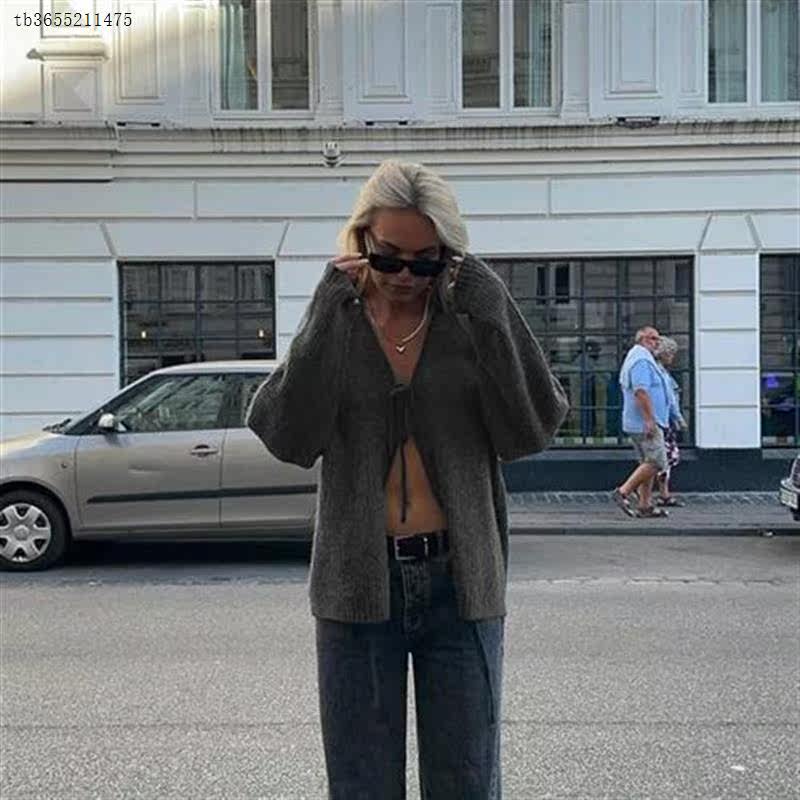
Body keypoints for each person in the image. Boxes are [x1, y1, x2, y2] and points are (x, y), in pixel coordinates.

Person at [246, 160, 569, 799]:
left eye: (425, 262)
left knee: (467, 782)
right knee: (361, 784)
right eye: (388, 256)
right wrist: (322, 315)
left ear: (448, 256)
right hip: (357, 583)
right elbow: (285, 434)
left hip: (461, 580)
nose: (403, 276)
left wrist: (494, 309)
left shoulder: (465, 319)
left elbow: (533, 426)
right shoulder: (340, 321)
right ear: (361, 239)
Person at [612, 326, 672, 518]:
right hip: (644, 422)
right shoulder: (641, 361)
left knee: (647, 462)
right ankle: (623, 492)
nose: (657, 342)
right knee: (656, 461)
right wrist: (649, 419)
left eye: (658, 339)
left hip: (639, 421)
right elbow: (641, 391)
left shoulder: (640, 358)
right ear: (643, 340)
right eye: (654, 339)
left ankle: (645, 505)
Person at [654, 336, 688, 507]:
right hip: (664, 420)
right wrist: (679, 418)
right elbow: (670, 399)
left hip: (662, 419)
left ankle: (661, 493)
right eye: (671, 353)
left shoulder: (659, 372)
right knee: (664, 458)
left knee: (662, 458)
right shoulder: (662, 375)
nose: (673, 357)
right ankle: (662, 493)